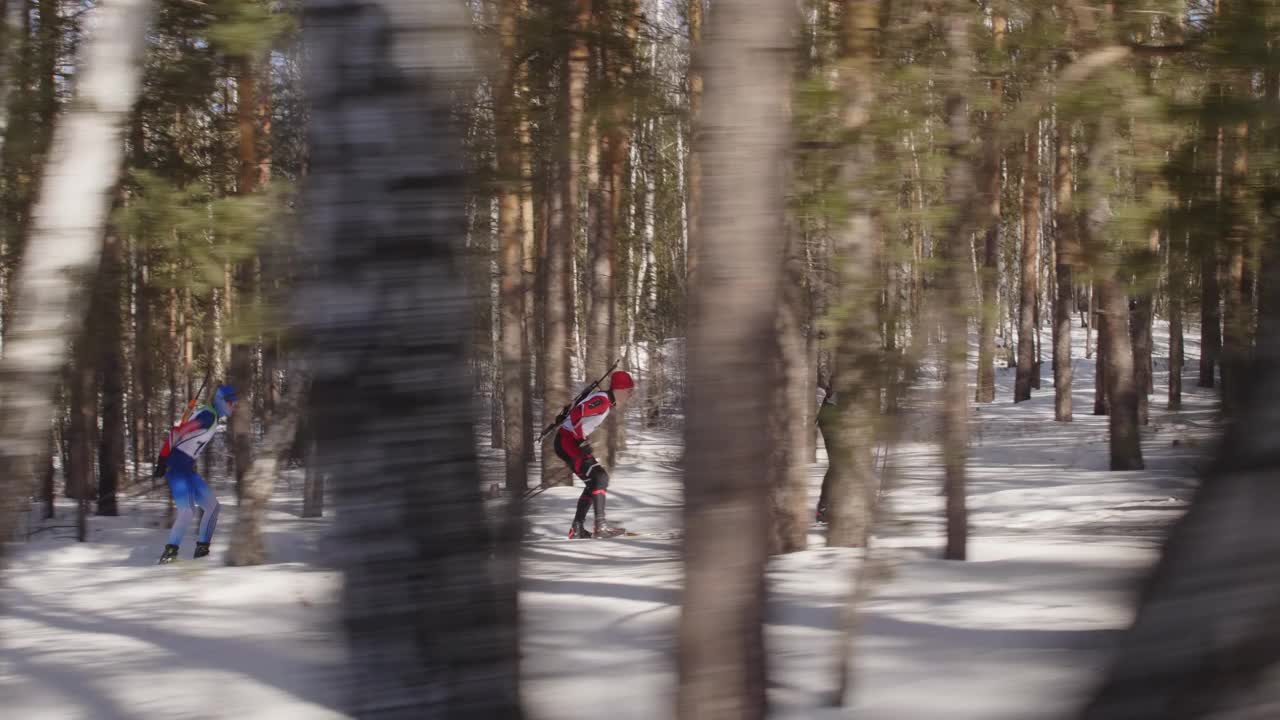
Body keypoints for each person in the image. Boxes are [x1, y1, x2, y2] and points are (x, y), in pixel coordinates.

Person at [154, 384, 237, 564]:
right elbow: (178, 431)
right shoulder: (208, 416)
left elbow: (181, 431)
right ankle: (170, 554)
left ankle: (202, 552)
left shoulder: (211, 415)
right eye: (231, 403)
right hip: (176, 467)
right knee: (187, 511)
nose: (234, 407)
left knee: (213, 507)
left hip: (186, 468)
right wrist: (162, 458)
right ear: (221, 402)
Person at [556, 370, 634, 539]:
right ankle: (600, 526)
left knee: (596, 481)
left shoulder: (605, 400)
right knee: (600, 478)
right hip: (568, 442)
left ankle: (577, 528)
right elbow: (578, 413)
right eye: (629, 391)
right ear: (620, 389)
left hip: (569, 441)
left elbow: (578, 412)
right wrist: (580, 440)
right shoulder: (603, 401)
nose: (630, 395)